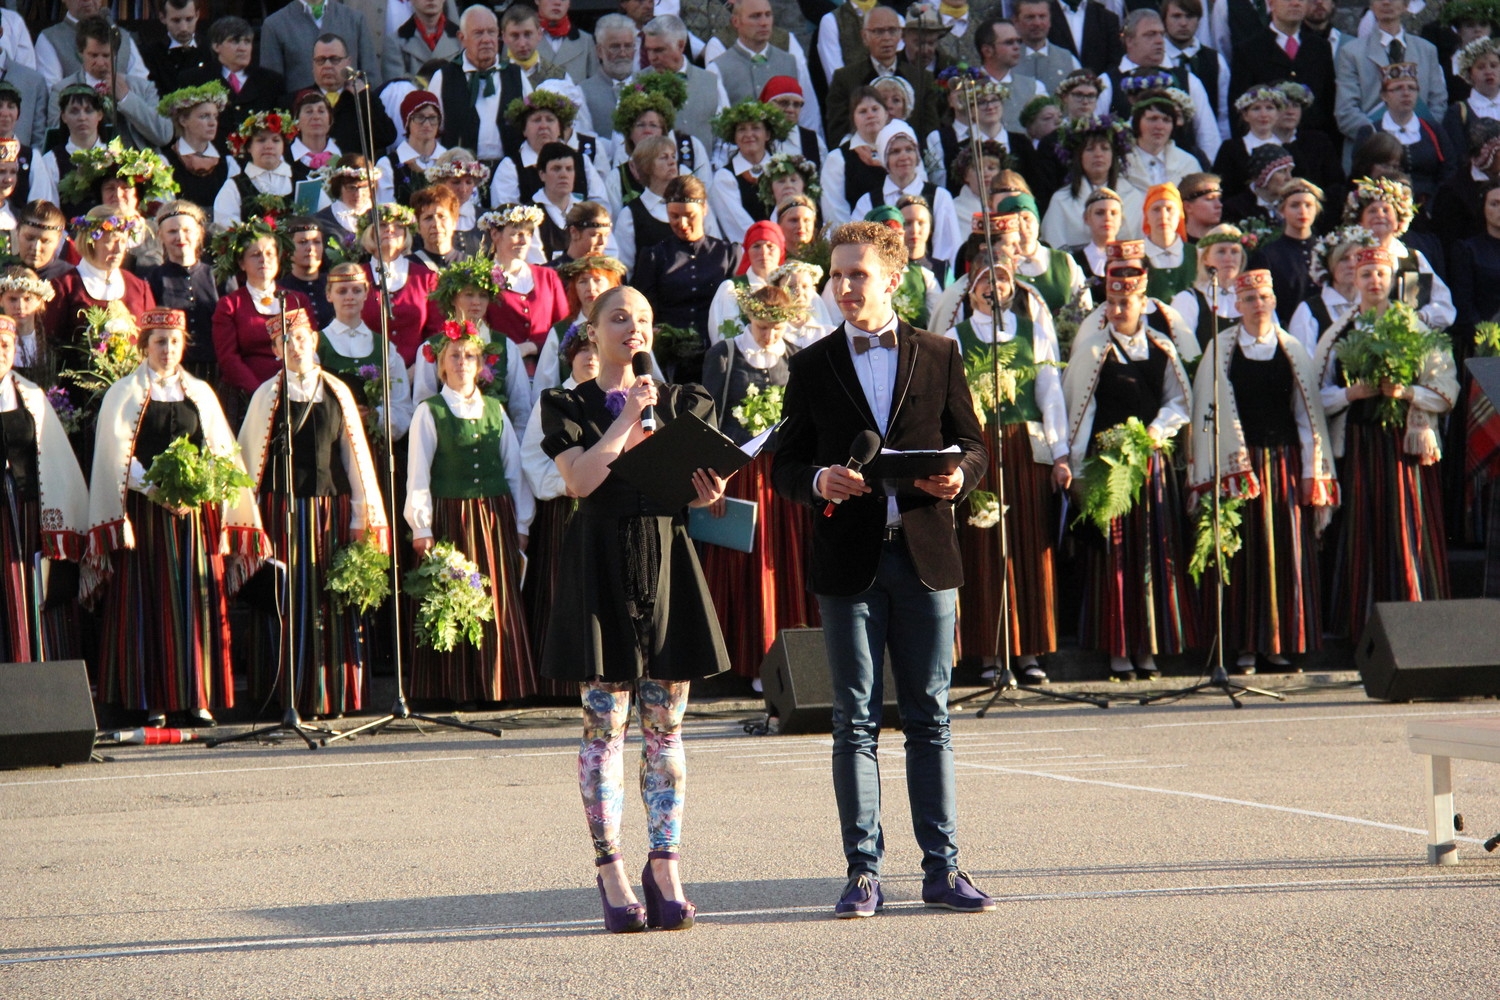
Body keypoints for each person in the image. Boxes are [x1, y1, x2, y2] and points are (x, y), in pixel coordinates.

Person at [771, 220, 993, 918]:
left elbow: (976, 447)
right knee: (854, 720)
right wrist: (817, 483)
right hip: (850, 564)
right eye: (836, 274)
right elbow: (783, 465)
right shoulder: (811, 365)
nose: (842, 286)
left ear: (892, 278)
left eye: (856, 274)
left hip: (926, 558)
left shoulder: (940, 353)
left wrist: (962, 479)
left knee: (930, 716)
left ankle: (943, 869)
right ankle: (862, 872)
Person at [539, 284, 730, 933]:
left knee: (666, 726)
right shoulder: (566, 403)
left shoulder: (684, 402)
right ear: (593, 332)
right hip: (601, 562)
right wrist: (626, 420)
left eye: (644, 318)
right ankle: (611, 869)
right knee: (605, 725)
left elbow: (702, 489)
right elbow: (582, 481)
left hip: (666, 557)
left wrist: (708, 494)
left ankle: (666, 862)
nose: (634, 327)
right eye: (619, 317)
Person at [84, 307, 267, 729]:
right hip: (147, 516)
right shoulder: (123, 393)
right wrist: (156, 489)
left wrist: (199, 488)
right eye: (159, 342)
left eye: (174, 342)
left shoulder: (201, 393)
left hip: (194, 516)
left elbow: (221, 453)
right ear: (145, 346)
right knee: (150, 604)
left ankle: (198, 695)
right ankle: (153, 698)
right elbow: (116, 454)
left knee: (199, 602)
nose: (167, 350)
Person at [238, 307, 389, 717]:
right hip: (279, 511)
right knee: (284, 599)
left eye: (301, 337)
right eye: (284, 341)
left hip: (328, 512)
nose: (295, 346)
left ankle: (332, 695)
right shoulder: (265, 396)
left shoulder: (337, 391)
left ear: (314, 340)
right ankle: (284, 696)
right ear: (274, 349)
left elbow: (354, 458)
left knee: (327, 600)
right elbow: (248, 462)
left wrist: (362, 516)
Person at [1188, 269, 1337, 674]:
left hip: (1283, 465)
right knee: (1245, 555)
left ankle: (1277, 645)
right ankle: (1244, 649)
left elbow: (1306, 417)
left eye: (1264, 298)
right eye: (1250, 299)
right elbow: (1205, 415)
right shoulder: (1220, 350)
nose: (1258, 306)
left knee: (1285, 554)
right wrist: (1213, 462)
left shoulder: (1293, 351)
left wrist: (1312, 471)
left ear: (1274, 302)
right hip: (1239, 467)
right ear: (1237, 306)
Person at [1062, 254, 1196, 681]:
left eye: (1128, 302)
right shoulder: (1094, 350)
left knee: (1152, 554)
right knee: (1113, 555)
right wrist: (1079, 468)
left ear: (1143, 302)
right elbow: (1080, 412)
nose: (1119, 310)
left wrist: (1158, 430)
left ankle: (1148, 647)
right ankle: (1118, 649)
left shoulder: (1162, 347)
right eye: (1113, 303)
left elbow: (1180, 401)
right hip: (1107, 467)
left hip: (1149, 464)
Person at [1314, 246, 1457, 639]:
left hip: (1402, 448)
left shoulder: (1416, 328)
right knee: (1363, 529)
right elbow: (1315, 394)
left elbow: (1446, 389)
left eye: (1380, 274)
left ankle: (1414, 623)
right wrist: (1350, 395)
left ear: (1393, 279)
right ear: (1353, 282)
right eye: (1366, 275)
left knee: (1406, 526)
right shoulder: (1339, 332)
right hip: (1359, 445)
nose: (1373, 281)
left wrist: (1407, 392)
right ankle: (1360, 625)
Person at [943, 254, 1069, 686]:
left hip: (1024, 451)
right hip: (979, 451)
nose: (992, 289)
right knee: (983, 550)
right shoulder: (954, 339)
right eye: (984, 281)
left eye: (1000, 281)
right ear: (970, 288)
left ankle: (1030, 649)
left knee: (1028, 547)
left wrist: (1061, 453)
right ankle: (990, 652)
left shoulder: (1034, 334)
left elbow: (1050, 394)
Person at [405, 315, 536, 703]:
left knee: (495, 597)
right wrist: (421, 527)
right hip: (450, 517)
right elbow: (417, 474)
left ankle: (498, 685)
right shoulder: (429, 412)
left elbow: (515, 470)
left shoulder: (496, 410)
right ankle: (455, 688)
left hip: (493, 518)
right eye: (454, 355)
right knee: (453, 594)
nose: (462, 362)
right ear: (441, 364)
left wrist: (522, 521)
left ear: (480, 366)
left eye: (469, 356)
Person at [700, 283, 819, 683]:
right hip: (739, 474)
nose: (769, 333)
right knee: (740, 565)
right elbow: (709, 422)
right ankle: (736, 661)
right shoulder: (725, 355)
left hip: (782, 477)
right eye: (762, 324)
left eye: (776, 326)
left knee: (781, 563)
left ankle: (782, 664)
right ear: (748, 317)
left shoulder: (796, 358)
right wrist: (714, 479)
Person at [0, 313, 89, 663]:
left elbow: (52, 455)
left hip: (25, 508)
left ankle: (31, 670)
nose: (0, 352)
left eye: (5, 345)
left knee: (26, 588)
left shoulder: (31, 395)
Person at [519, 318, 595, 668]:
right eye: (583, 351)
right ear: (569, 357)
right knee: (562, 589)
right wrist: (565, 484)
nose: (590, 357)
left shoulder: (615, 398)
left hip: (606, 509)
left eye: (595, 349)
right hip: (564, 511)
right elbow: (532, 456)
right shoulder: (555, 400)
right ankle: (563, 676)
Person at [208, 220, 315, 418]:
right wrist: (260, 392)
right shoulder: (230, 305)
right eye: (255, 255)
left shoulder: (297, 300)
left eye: (269, 254)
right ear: (242, 263)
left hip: (296, 391)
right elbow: (228, 358)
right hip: (247, 395)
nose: (263, 260)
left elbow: (311, 348)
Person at [631, 175, 736, 371]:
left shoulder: (727, 253)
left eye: (690, 215)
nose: (683, 223)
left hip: (717, 355)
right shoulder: (654, 255)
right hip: (670, 359)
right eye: (674, 216)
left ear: (704, 209)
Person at [317, 262, 415, 444]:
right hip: (331, 446)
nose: (349, 297)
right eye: (342, 291)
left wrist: (375, 416)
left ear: (366, 294)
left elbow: (402, 406)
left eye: (356, 290)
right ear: (328, 295)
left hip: (374, 448)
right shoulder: (316, 344)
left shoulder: (384, 347)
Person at [479, 202, 570, 380]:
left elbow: (564, 329)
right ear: (495, 234)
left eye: (528, 234)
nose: (523, 240)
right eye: (515, 234)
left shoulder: (548, 276)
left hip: (547, 372)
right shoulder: (482, 279)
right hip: (502, 373)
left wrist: (533, 347)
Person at [359, 204, 445, 369]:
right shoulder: (356, 277)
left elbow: (437, 332)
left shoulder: (426, 278)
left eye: (398, 226)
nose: (390, 230)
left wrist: (417, 371)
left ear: (406, 234)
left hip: (418, 375)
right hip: (366, 372)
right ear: (370, 232)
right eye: (383, 225)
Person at [142, 200, 219, 381]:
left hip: (214, 369)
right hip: (170, 370)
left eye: (186, 230)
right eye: (172, 232)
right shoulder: (154, 279)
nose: (180, 237)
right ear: (160, 235)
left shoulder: (218, 276)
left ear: (199, 232)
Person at [1040, 113, 1134, 250]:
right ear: (1079, 157)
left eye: (1105, 148)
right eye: (1089, 149)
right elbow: (1054, 250)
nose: (1098, 154)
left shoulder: (1134, 196)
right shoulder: (1061, 200)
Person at [708, 98, 791, 247]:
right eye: (742, 129)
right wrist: (767, 245)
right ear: (734, 137)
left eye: (755, 128)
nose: (749, 134)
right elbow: (738, 227)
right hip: (751, 255)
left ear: (767, 135)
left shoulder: (786, 171)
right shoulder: (724, 177)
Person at [1287, 224, 1378, 354]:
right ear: (1330, 266)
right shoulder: (1309, 312)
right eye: (1344, 259)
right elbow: (1303, 365)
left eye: (1358, 258)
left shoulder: (1375, 306)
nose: (1352, 265)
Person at [1249, 179, 1326, 325]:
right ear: (1282, 211)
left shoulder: (1327, 250)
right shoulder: (1268, 255)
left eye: (1308, 205)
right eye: (1295, 205)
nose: (1302, 211)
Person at [259, 4, 380, 95]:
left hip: (351, 118)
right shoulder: (274, 25)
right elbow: (271, 89)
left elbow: (372, 78)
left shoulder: (355, 19)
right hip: (300, 122)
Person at [213, 109, 298, 229]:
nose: (269, 146)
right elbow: (225, 227)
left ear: (283, 146)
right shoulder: (234, 186)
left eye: (276, 140)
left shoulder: (303, 181)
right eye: (261, 140)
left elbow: (321, 220)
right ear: (248, 147)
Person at [820, 86, 889, 230]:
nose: (870, 115)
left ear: (886, 114)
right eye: (863, 111)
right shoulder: (838, 159)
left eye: (875, 109)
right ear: (853, 118)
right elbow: (835, 211)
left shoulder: (904, 151)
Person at [1170, 224, 1248, 350]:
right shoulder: (1189, 300)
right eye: (1221, 251)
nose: (1229, 258)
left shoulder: (1252, 297)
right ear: (1206, 258)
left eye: (1234, 251)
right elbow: (1183, 351)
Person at [707, 219, 784, 343]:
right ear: (747, 252)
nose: (763, 252)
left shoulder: (793, 285)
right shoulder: (731, 289)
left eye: (770, 246)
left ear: (781, 250)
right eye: (756, 246)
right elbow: (721, 337)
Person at [157, 81, 228, 213]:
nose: (213, 123)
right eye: (204, 116)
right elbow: (163, 210)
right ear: (183, 120)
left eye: (215, 117)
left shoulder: (228, 163)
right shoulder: (165, 162)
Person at [377, 91, 449, 209]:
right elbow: (385, 210)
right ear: (408, 121)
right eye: (420, 117)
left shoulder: (450, 160)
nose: (427, 124)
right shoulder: (387, 164)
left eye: (432, 118)